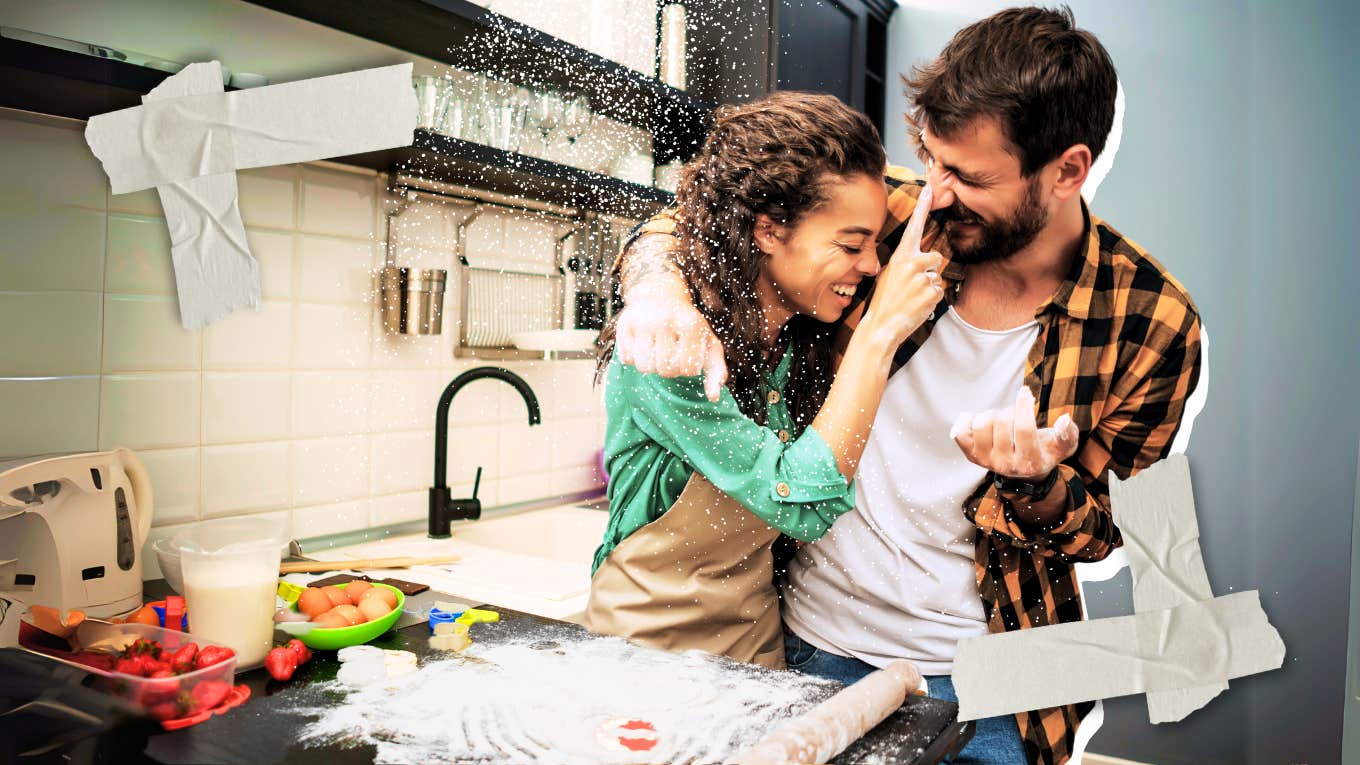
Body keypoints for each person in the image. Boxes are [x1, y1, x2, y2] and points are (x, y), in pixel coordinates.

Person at [607, 7, 1203, 765]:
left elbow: (1113, 529)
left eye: (969, 176)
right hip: (809, 647)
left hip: (993, 689)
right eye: (931, 160)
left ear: (1068, 170)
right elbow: (702, 220)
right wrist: (657, 289)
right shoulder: (882, 215)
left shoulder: (1152, 320)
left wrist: (1042, 485)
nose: (937, 193)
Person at [584, 91, 944, 670]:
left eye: (875, 243)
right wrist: (878, 336)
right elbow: (801, 504)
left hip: (758, 648)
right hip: (646, 652)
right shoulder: (674, 349)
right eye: (852, 245)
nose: (873, 266)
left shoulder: (801, 324)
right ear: (769, 231)